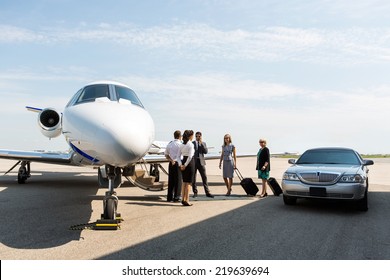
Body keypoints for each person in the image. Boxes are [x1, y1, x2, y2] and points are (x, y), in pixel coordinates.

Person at [192, 132, 214, 198]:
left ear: (201, 136)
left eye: (199, 136)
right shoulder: (192, 143)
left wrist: (201, 144)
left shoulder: (203, 143)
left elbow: (206, 152)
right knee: (193, 178)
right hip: (194, 162)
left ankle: (207, 192)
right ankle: (195, 192)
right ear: (195, 137)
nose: (198, 137)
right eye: (196, 136)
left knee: (204, 177)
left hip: (201, 162)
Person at [177, 130, 195, 206]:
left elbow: (177, 156)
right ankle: (187, 199)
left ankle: (183, 199)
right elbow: (190, 156)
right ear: (190, 136)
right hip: (189, 163)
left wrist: (181, 164)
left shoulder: (181, 145)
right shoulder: (190, 144)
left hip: (183, 160)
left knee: (184, 182)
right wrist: (185, 165)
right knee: (189, 182)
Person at [164, 130, 182, 202]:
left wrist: (171, 160)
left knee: (171, 181)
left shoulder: (170, 144)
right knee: (178, 181)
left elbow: (166, 155)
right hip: (178, 163)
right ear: (180, 136)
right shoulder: (181, 144)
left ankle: (169, 197)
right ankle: (176, 197)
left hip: (171, 164)